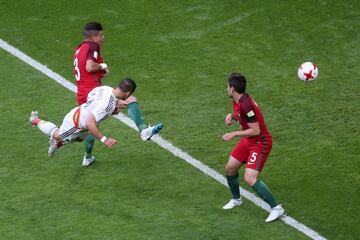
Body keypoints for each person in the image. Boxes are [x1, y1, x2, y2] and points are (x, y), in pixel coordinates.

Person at [73, 22, 161, 166]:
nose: (103, 38)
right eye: (101, 35)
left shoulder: (79, 49)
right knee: (130, 99)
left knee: (91, 126)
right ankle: (143, 131)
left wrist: (100, 71)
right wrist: (103, 66)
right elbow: (89, 67)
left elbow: (84, 70)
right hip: (94, 93)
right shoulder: (92, 46)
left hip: (83, 94)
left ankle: (87, 157)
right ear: (94, 36)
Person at [29, 78, 163, 166]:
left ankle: (143, 130)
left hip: (81, 114)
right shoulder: (108, 104)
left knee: (132, 101)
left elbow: (92, 100)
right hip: (74, 124)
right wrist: (104, 139)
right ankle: (36, 121)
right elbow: (89, 122)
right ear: (126, 92)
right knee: (57, 134)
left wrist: (111, 109)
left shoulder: (104, 88)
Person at [221, 72, 284, 222]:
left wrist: (233, 133)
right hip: (248, 140)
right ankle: (237, 199)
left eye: (227, 86)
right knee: (230, 168)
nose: (226, 89)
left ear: (233, 89)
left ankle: (277, 208)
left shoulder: (246, 103)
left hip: (260, 143)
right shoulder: (238, 101)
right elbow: (246, 118)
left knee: (250, 178)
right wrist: (233, 116)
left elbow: (256, 130)